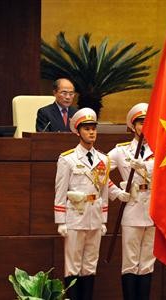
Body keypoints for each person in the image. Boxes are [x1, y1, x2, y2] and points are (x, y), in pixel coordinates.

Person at [54, 107, 110, 300]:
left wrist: (103, 219)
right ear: (77, 131)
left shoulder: (103, 159)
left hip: (94, 218)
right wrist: (61, 221)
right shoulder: (67, 158)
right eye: (86, 128)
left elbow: (103, 191)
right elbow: (60, 191)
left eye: (93, 128)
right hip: (75, 217)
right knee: (73, 267)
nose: (91, 132)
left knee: (90, 266)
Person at [107, 103, 155, 300]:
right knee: (130, 262)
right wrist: (117, 192)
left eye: (148, 123)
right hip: (132, 207)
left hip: (153, 209)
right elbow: (96, 171)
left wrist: (145, 166)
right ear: (133, 126)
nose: (145, 127)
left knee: (147, 263)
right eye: (141, 123)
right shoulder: (121, 151)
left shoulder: (159, 150)